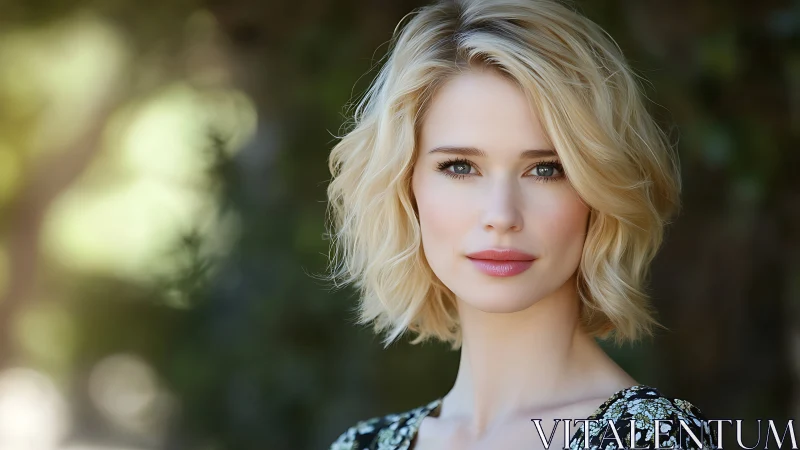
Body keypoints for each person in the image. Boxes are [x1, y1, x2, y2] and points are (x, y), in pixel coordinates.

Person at [324, 0, 717, 448]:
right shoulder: (361, 445)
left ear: (599, 192)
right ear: (404, 187)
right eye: (459, 167)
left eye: (546, 169)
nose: (501, 216)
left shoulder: (655, 440)